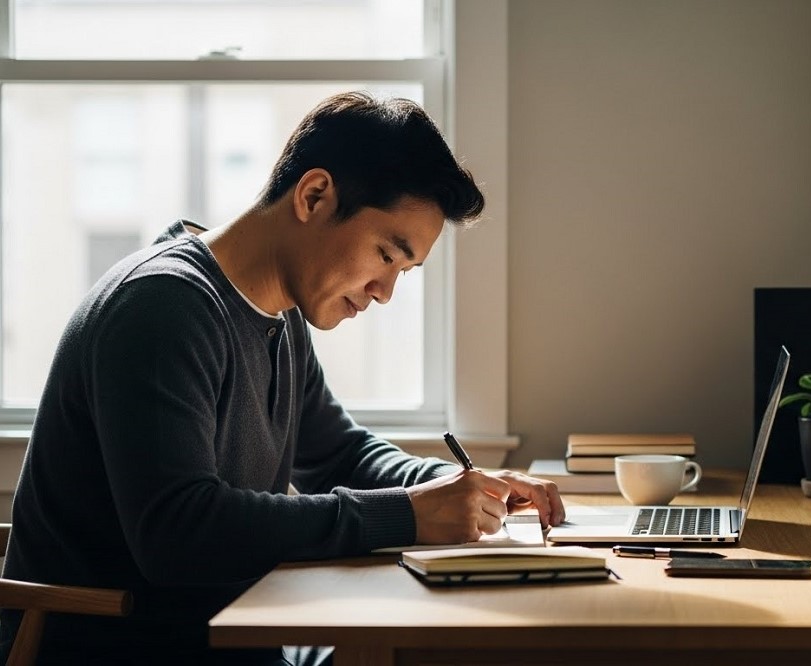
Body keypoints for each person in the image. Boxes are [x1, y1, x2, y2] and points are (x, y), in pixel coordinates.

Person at [0, 91, 565, 665]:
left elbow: (339, 453)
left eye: (404, 270)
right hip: (121, 651)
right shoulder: (161, 307)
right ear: (314, 196)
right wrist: (410, 512)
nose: (385, 291)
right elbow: (179, 533)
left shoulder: (280, 314)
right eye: (386, 255)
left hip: (234, 637)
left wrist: (461, 486)